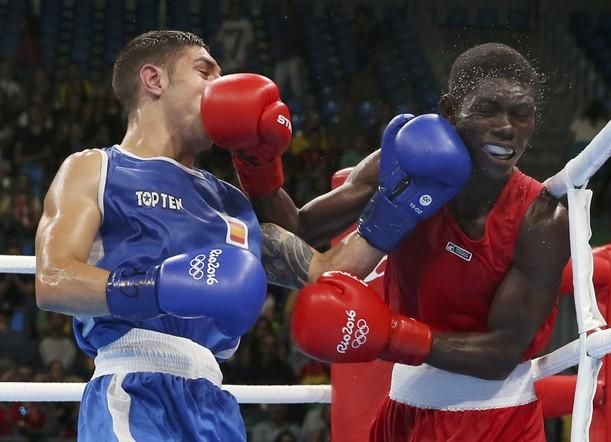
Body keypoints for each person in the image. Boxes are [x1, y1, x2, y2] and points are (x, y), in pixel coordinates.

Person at [34, 30, 471, 441]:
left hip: (213, 402)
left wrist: (401, 204)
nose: (220, 85)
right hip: (132, 390)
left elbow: (328, 272)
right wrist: (159, 288)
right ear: (154, 79)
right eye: (205, 71)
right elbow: (52, 280)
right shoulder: (97, 167)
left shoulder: (228, 201)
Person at [274, 43, 570, 441]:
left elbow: (501, 353)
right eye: (488, 109)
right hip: (402, 411)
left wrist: (389, 334)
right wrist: (256, 159)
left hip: (494, 420)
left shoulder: (541, 217)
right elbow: (297, 228)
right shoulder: (404, 164)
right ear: (449, 111)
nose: (506, 127)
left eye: (522, 114)